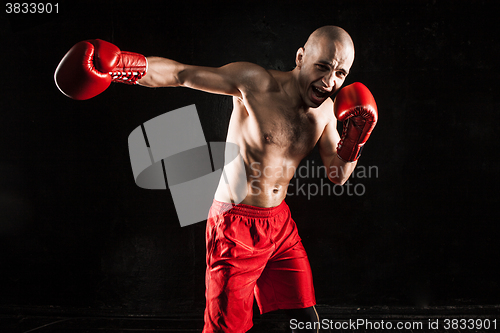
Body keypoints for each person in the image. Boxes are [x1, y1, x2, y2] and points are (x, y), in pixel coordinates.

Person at [54, 25, 378, 333]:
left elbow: (337, 175)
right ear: (300, 57)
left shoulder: (325, 112)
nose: (329, 81)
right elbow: (181, 74)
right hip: (235, 228)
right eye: (322, 67)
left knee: (306, 317)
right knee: (225, 327)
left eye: (340, 73)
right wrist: (120, 65)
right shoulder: (255, 82)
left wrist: (354, 142)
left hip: (280, 227)